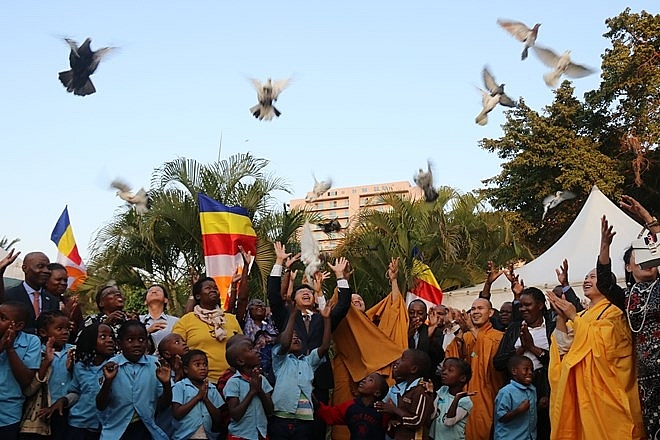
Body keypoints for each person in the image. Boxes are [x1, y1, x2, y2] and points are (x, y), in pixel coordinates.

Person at [547, 264, 645, 439]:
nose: (586, 280)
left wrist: (572, 316)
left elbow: (605, 347)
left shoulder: (614, 313)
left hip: (604, 394)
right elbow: (563, 348)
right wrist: (561, 317)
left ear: (606, 283)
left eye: (593, 277)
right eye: (586, 277)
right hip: (581, 394)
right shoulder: (583, 315)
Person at [267, 242, 351, 440]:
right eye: (300, 291)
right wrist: (279, 262)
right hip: (286, 384)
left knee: (316, 430)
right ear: (293, 298)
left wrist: (340, 276)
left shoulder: (324, 318)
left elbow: (344, 305)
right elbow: (272, 294)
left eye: (310, 292)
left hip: (318, 381)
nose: (306, 292)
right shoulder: (286, 317)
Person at [598, 197, 660, 438]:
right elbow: (604, 282)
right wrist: (604, 244)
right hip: (646, 376)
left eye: (649, 254)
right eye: (639, 255)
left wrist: (647, 218)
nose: (645, 260)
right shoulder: (628, 296)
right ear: (628, 267)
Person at [330, 257, 409, 440]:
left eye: (359, 299)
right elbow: (337, 303)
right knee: (344, 424)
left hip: (375, 383)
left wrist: (394, 280)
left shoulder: (374, 324)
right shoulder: (346, 321)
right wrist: (343, 279)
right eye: (352, 299)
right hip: (347, 374)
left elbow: (395, 309)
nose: (355, 301)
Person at [96, 320, 171, 440]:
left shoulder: (155, 365)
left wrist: (166, 384)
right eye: (130, 340)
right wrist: (108, 381)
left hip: (145, 429)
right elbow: (100, 405)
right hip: (116, 432)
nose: (136, 344)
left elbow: (164, 405)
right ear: (119, 344)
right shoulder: (110, 366)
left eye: (141, 340)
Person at [493, 287, 552, 440]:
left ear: (540, 306)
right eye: (521, 305)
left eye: (528, 305)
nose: (523, 309)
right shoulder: (514, 328)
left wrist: (532, 347)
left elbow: (557, 361)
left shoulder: (551, 328)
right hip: (516, 388)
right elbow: (498, 363)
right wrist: (521, 349)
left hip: (544, 387)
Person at [445, 298, 505, 440]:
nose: (475, 312)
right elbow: (451, 359)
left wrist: (472, 329)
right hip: (461, 396)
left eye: (480, 308)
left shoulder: (499, 337)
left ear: (490, 313)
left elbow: (492, 362)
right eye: (473, 309)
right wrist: (457, 330)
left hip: (485, 396)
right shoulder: (465, 336)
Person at [269, 303, 332, 439]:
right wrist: (292, 316)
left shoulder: (308, 362)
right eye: (292, 336)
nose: (295, 338)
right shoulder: (280, 361)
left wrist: (326, 320)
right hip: (281, 417)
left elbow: (325, 347)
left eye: (297, 336)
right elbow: (285, 344)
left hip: (305, 420)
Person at [172, 277, 243, 383]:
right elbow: (174, 348)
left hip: (233, 381)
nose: (213, 290)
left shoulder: (231, 319)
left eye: (215, 288)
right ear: (198, 296)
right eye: (208, 288)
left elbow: (242, 347)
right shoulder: (186, 320)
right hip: (201, 382)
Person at [56, 323, 115, 440]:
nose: (110, 340)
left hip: (105, 426)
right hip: (79, 424)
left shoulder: (115, 365)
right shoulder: (80, 366)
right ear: (90, 340)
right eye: (103, 337)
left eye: (112, 337)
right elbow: (76, 392)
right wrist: (64, 400)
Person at [21, 310, 74, 439]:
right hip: (43, 411)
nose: (65, 332)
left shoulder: (73, 351)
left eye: (67, 328)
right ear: (43, 332)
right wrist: (46, 362)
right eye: (59, 328)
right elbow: (30, 388)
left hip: (69, 409)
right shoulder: (37, 352)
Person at [0, 301, 41, 439]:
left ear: (18, 326)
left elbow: (25, 380)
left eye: (3, 318)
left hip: (9, 412)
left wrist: (10, 349)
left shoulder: (31, 341)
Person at [374, 349, 434, 440]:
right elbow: (404, 415)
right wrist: (394, 420)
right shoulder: (406, 389)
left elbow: (416, 421)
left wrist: (393, 409)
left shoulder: (421, 391)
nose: (397, 361)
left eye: (402, 359)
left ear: (413, 369)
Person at [224, 337, 274, 440]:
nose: (256, 351)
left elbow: (270, 411)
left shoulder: (262, 380)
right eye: (250, 350)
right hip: (240, 436)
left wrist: (259, 390)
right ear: (241, 361)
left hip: (260, 435)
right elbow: (235, 415)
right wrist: (252, 392)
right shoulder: (233, 382)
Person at [316, 372, 389, 440]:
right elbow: (330, 414)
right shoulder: (350, 406)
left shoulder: (381, 410)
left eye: (370, 380)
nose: (364, 380)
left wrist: (393, 418)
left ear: (377, 393)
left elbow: (391, 429)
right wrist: (311, 396)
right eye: (365, 378)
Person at [171, 349, 224, 440]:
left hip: (207, 436)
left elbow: (218, 418)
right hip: (185, 436)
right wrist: (198, 397)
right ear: (186, 369)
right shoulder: (180, 386)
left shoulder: (212, 388)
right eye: (197, 365)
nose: (203, 368)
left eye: (205, 364)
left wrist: (206, 400)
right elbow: (177, 413)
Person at [4, 252, 59, 335]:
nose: (46, 271)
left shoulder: (53, 300)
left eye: (48, 267)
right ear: (25, 268)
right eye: (40, 266)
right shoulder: (10, 295)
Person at [429, 357, 475, 440]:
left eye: (450, 370)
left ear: (462, 378)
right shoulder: (443, 390)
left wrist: (456, 399)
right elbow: (432, 415)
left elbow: (449, 422)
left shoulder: (465, 401)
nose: (444, 373)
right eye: (443, 369)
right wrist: (431, 393)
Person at [494, 355, 537, 440]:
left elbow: (530, 412)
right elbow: (501, 417)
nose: (530, 372)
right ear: (514, 371)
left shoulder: (532, 390)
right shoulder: (506, 392)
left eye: (532, 370)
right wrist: (519, 410)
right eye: (526, 369)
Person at [44, 263, 84, 343]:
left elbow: (81, 330)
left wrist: (72, 327)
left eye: (65, 280)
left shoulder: (72, 304)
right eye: (58, 279)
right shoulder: (39, 301)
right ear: (46, 281)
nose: (63, 283)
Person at [140, 284, 179, 353]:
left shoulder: (176, 322)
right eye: (150, 291)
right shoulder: (138, 320)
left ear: (165, 300)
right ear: (145, 301)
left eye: (158, 290)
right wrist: (147, 331)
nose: (154, 292)